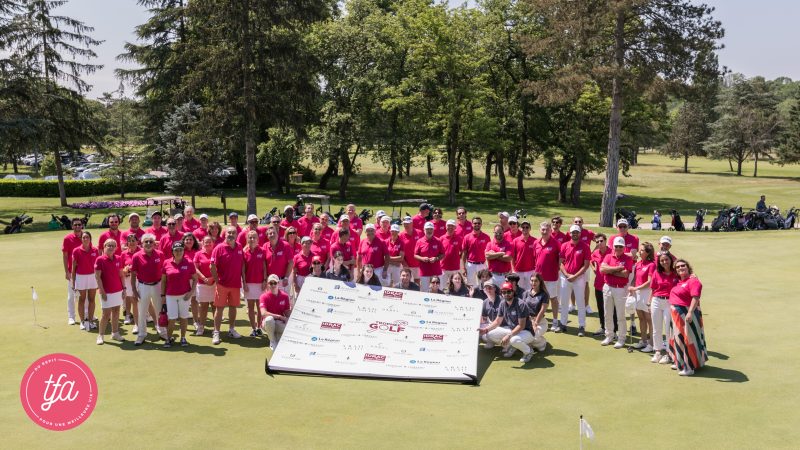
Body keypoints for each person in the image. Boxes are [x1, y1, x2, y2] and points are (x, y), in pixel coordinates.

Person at [479, 282, 538, 363]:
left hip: (526, 332)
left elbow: (521, 326)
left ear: (513, 292)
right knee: (489, 334)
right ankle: (512, 346)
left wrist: (508, 336)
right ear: (501, 293)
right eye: (503, 292)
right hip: (512, 330)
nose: (506, 294)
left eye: (508, 292)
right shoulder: (502, 303)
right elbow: (497, 321)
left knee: (513, 340)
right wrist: (486, 330)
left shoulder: (520, 304)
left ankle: (528, 351)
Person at [668, 259, 707, 376]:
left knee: (689, 340)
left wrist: (690, 312)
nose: (680, 268)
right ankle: (680, 361)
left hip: (686, 314)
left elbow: (695, 297)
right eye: (678, 267)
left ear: (688, 267)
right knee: (678, 339)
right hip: (676, 314)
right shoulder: (679, 282)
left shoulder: (693, 281)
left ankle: (689, 367)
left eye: (683, 265)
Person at [209, 226, 246, 344]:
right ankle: (216, 332)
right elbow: (212, 266)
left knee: (233, 307)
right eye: (229, 232)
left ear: (236, 234)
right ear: (225, 234)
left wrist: (243, 280)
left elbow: (242, 264)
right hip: (222, 284)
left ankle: (231, 329)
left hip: (235, 284)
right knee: (219, 309)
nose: (231, 234)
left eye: (233, 233)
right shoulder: (219, 248)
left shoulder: (240, 247)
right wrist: (217, 280)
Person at [161, 242, 197, 348]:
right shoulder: (166, 263)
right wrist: (162, 295)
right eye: (176, 250)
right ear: (172, 251)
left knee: (183, 317)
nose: (178, 252)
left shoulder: (189, 263)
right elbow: (163, 281)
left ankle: (183, 337)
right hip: (170, 295)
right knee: (172, 318)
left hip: (185, 295)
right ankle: (168, 338)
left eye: (180, 250)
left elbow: (195, 279)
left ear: (183, 251)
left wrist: (191, 292)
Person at [131, 233, 165, 344]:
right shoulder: (136, 256)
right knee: (142, 312)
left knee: (160, 310)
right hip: (143, 286)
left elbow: (164, 272)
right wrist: (134, 290)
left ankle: (162, 331)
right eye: (146, 241)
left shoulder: (160, 254)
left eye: (151, 241)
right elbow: (133, 275)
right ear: (142, 243)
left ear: (155, 244)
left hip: (158, 285)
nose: (149, 244)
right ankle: (141, 334)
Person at [600, 236, 634, 348]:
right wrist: (617, 269)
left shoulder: (628, 259)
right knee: (607, 313)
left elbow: (625, 274)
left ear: (624, 247)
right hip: (608, 287)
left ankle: (621, 338)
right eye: (616, 246)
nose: (618, 248)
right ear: (613, 247)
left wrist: (609, 270)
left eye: (620, 246)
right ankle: (609, 335)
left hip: (620, 289)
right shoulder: (609, 256)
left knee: (620, 315)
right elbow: (602, 270)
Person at [558, 224, 592, 336]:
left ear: (580, 233)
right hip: (565, 277)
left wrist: (575, 276)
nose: (575, 234)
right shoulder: (564, 245)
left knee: (580, 302)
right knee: (564, 301)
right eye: (573, 232)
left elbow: (586, 265)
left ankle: (581, 326)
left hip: (579, 278)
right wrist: (567, 274)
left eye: (577, 232)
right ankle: (563, 324)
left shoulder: (585, 246)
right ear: (570, 233)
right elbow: (561, 263)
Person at [649, 251, 679, 364]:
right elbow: (653, 289)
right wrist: (649, 303)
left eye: (666, 259)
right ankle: (657, 351)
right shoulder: (657, 272)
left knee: (668, 329)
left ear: (671, 260)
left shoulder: (676, 273)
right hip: (656, 301)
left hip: (669, 302)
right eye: (662, 260)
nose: (664, 262)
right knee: (656, 328)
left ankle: (668, 353)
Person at [94, 240, 126, 345]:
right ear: (104, 246)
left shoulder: (118, 258)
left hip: (118, 290)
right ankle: (101, 335)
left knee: (116, 311)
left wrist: (124, 288)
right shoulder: (100, 259)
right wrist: (102, 291)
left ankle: (115, 333)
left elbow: (121, 275)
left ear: (116, 248)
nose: (111, 247)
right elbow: (97, 277)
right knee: (105, 314)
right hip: (106, 292)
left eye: (113, 246)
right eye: (109, 245)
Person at [534, 221, 561, 331]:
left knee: (553, 299)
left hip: (551, 278)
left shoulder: (556, 244)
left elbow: (560, 261)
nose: (544, 231)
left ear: (550, 230)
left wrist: (556, 270)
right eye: (542, 229)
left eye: (546, 229)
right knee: (538, 299)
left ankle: (555, 321)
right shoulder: (536, 243)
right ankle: (539, 320)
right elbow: (535, 259)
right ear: (540, 230)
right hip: (539, 278)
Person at [630, 242, 656, 352]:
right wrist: (631, 287)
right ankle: (643, 341)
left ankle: (651, 344)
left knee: (649, 319)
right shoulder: (639, 264)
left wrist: (636, 288)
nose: (639, 252)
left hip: (647, 293)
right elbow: (635, 278)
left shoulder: (652, 264)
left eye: (642, 250)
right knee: (641, 318)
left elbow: (650, 282)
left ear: (648, 252)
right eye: (639, 250)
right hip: (638, 293)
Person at [71, 231, 99, 331]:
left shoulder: (95, 250)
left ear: (90, 239)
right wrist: (73, 282)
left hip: (92, 277)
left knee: (92, 299)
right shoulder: (76, 250)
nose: (85, 239)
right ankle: (83, 321)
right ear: (81, 239)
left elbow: (98, 267)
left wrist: (99, 280)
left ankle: (90, 321)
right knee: (82, 300)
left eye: (87, 237)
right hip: (80, 277)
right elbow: (74, 268)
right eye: (83, 237)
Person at [243, 230, 267, 337]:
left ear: (258, 239)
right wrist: (244, 282)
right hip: (249, 283)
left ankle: (259, 327)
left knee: (259, 307)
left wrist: (265, 280)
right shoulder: (244, 251)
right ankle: (253, 328)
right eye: (250, 237)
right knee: (251, 307)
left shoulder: (262, 251)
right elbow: (243, 269)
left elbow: (264, 267)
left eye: (254, 237)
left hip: (260, 283)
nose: (252, 239)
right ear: (247, 239)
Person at [590, 233, 614, 337]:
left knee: (612, 309)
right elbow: (591, 260)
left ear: (605, 241)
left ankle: (614, 329)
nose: (599, 243)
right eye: (597, 242)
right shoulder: (595, 252)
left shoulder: (612, 252)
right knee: (601, 307)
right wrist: (593, 268)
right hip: (598, 284)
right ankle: (603, 327)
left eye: (601, 241)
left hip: (609, 285)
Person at [260, 274, 292, 350]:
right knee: (269, 319)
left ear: (278, 283)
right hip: (267, 323)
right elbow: (263, 313)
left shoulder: (285, 296)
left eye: (275, 283)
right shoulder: (263, 296)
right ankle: (272, 341)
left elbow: (287, 312)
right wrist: (280, 317)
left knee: (288, 330)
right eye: (271, 283)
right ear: (268, 284)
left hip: (279, 323)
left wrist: (293, 312)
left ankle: (276, 336)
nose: (273, 285)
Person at [62, 217, 84, 325]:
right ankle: (71, 316)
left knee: (85, 295)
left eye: (79, 224)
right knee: (72, 295)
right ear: (72, 226)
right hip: (72, 271)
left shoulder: (86, 237)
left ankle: (86, 314)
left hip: (85, 271)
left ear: (82, 225)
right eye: (75, 225)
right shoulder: (67, 238)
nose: (77, 227)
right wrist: (66, 271)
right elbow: (65, 256)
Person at [193, 236, 216, 336]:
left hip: (214, 283)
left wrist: (212, 278)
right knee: (203, 307)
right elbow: (195, 268)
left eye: (209, 242)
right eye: (205, 242)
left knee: (215, 306)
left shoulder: (216, 253)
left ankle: (216, 328)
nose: (208, 244)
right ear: (202, 243)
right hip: (202, 284)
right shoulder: (198, 254)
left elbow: (220, 267)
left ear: (213, 243)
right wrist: (203, 278)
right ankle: (201, 327)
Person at [521, 273, 550, 353]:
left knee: (532, 336)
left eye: (536, 281)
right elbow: (523, 308)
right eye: (532, 281)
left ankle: (542, 342)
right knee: (524, 336)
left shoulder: (545, 295)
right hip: (527, 321)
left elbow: (542, 310)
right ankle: (531, 344)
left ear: (540, 282)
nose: (533, 283)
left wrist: (535, 323)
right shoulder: (526, 293)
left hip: (540, 322)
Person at [415, 222, 444, 291]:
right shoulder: (419, 241)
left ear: (433, 230)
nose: (429, 231)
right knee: (425, 291)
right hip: (424, 272)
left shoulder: (438, 241)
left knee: (438, 290)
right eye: (427, 229)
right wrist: (422, 258)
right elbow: (415, 255)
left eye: (431, 229)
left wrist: (436, 258)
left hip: (436, 271)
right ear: (424, 230)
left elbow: (443, 254)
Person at [265, 226, 294, 294]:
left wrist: (286, 277)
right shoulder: (265, 246)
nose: (272, 235)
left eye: (274, 233)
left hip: (283, 280)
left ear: (277, 234)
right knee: (271, 301)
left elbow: (291, 262)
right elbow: (264, 264)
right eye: (270, 233)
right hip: (271, 281)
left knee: (283, 302)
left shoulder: (285, 245)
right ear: (267, 236)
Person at [462, 217, 490, 286]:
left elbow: (489, 253)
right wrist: (463, 267)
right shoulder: (467, 237)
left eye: (479, 223)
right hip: (470, 265)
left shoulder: (486, 237)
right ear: (472, 224)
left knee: (483, 285)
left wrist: (489, 266)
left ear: (481, 224)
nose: (477, 224)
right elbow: (464, 253)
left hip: (482, 265)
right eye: (475, 223)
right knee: (470, 285)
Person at [511, 219, 536, 291]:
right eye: (523, 227)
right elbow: (513, 256)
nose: (525, 229)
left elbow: (536, 257)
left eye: (527, 227)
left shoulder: (535, 241)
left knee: (530, 291)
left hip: (530, 270)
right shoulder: (516, 241)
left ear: (530, 228)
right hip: (518, 270)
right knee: (519, 291)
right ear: (520, 228)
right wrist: (513, 269)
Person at [121, 234, 140, 327]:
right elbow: (121, 268)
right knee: (128, 298)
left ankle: (141, 316)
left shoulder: (142, 251)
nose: (132, 243)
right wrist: (124, 270)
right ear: (127, 243)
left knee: (137, 298)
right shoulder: (124, 253)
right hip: (128, 279)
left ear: (137, 242)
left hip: (139, 279)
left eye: (133, 240)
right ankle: (128, 315)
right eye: (130, 241)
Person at [439, 220, 463, 288]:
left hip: (455, 268)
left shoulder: (459, 238)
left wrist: (458, 258)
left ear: (455, 227)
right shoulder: (441, 238)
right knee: (442, 287)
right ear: (446, 227)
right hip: (443, 267)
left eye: (452, 226)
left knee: (455, 287)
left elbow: (463, 251)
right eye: (448, 226)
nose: (450, 227)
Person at [399, 217, 423, 281]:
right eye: (404, 224)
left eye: (408, 223)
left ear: (412, 223)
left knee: (417, 282)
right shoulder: (400, 235)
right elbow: (399, 251)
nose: (406, 225)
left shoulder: (420, 233)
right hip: (406, 264)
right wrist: (403, 262)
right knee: (407, 283)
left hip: (419, 264)